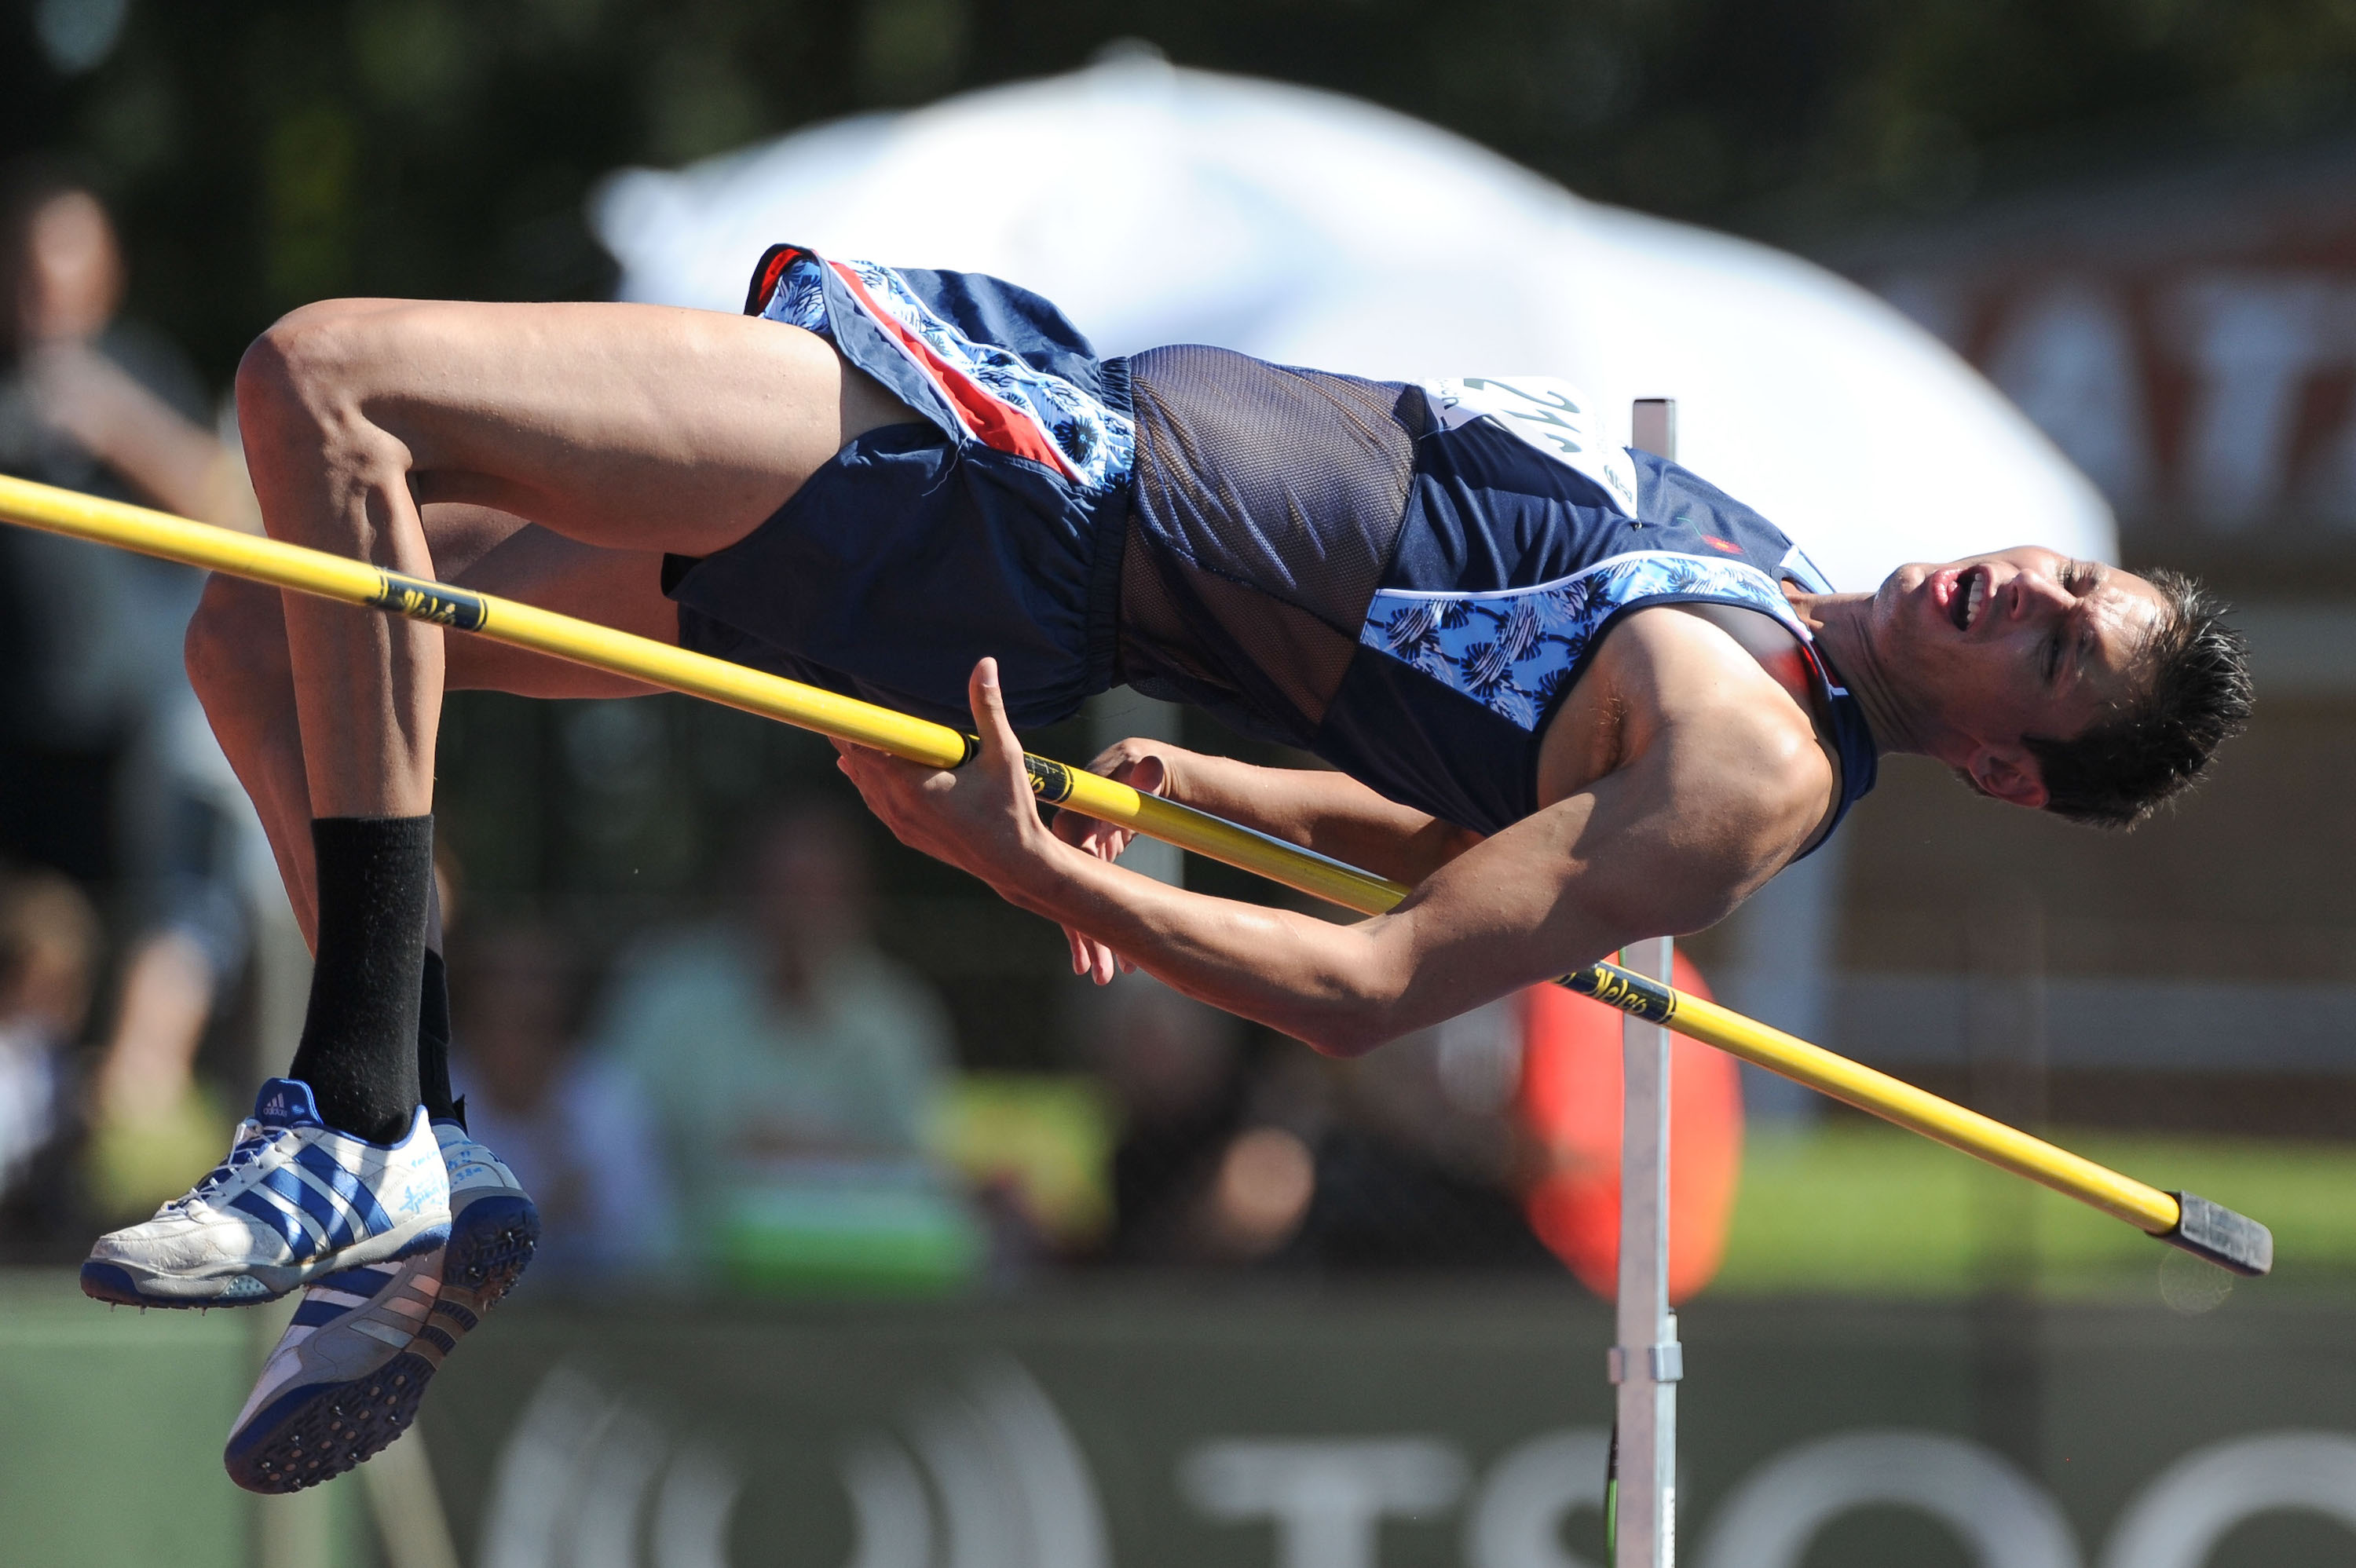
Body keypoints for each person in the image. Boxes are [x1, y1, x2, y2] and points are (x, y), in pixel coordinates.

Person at [101, 243, 2246, 1490]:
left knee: (328, 381)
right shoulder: (1764, 586)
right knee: (258, 629)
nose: (2019, 587)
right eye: (2064, 577)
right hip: (1029, 456)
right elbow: (1426, 823)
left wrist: (1065, 877)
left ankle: (366, 1100)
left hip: (1009, 492)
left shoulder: (1752, 763)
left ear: (2012, 770)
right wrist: (1172, 803)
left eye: (2055, 648)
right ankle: (436, 1156)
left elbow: (1379, 980)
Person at [590, 803, 953, 1281]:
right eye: (784, 888)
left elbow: (921, 1162)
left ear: (858, 902)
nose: (799, 912)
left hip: (857, 1281)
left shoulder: (896, 1012)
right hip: (683, 1274)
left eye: (819, 892)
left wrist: (814, 1158)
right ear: (746, 892)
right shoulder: (668, 990)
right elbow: (606, 1142)